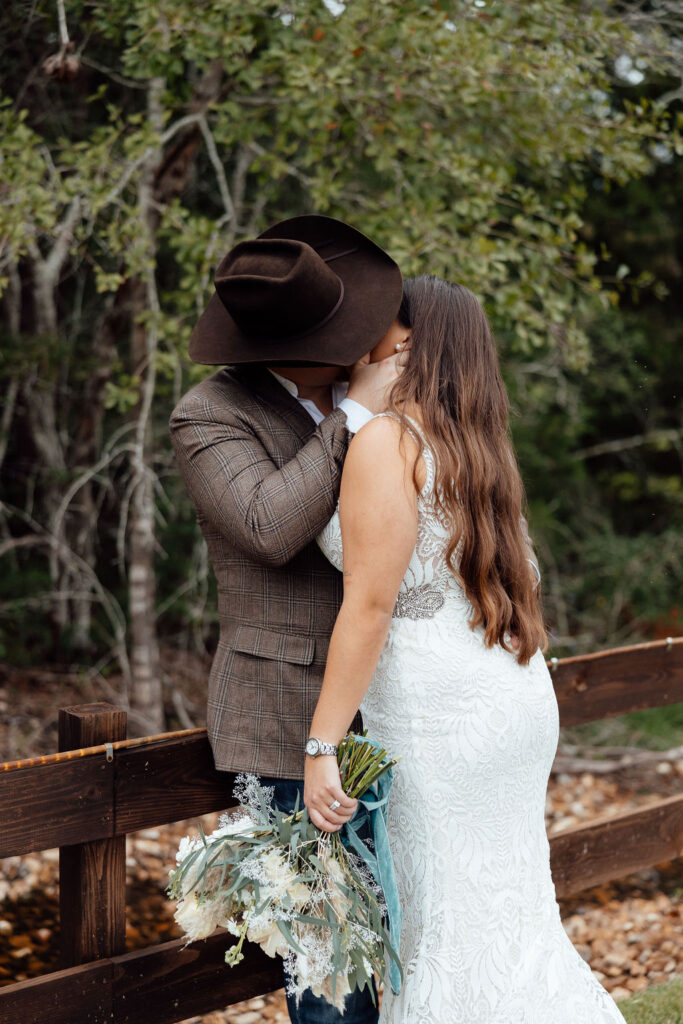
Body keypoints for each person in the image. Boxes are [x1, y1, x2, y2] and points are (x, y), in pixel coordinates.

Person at [305, 274, 628, 1023]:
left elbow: (370, 605)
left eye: (380, 323)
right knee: (506, 913)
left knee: (447, 919)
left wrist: (322, 743)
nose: (363, 334)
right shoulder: (476, 442)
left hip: (439, 717)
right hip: (510, 697)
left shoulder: (388, 441)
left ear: (410, 342)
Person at [168, 213, 406, 1024]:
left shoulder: (369, 386)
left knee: (409, 921)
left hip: (403, 697)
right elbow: (268, 529)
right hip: (282, 711)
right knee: (330, 957)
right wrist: (353, 420)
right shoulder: (210, 415)